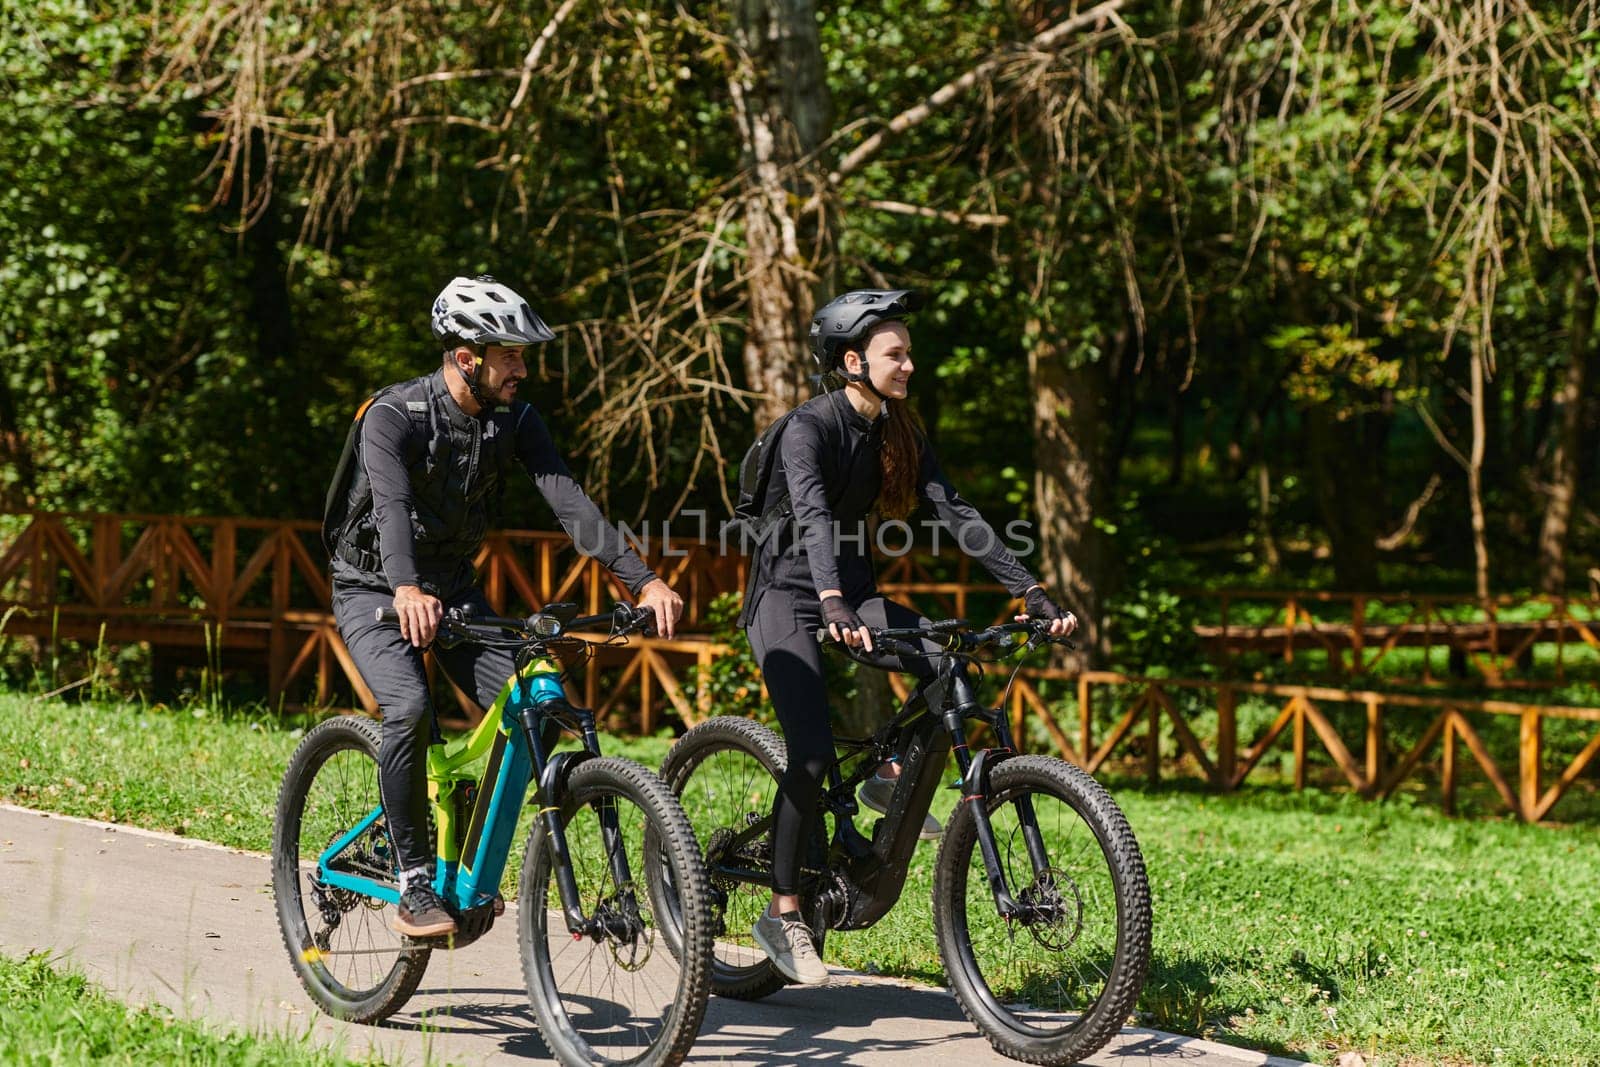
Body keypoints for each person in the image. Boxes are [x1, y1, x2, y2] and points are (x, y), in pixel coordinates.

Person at [324, 274, 683, 938]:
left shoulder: (515, 419)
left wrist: (643, 580)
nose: (523, 367)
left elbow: (569, 500)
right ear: (467, 357)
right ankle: (412, 879)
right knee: (406, 706)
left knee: (540, 707)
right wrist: (405, 588)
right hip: (375, 587)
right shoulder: (393, 416)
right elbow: (391, 508)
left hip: (456, 590)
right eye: (511, 354)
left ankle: (467, 853)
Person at [740, 288, 1076, 985]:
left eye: (908, 352)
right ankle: (782, 912)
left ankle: (887, 778)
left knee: (950, 664)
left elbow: (956, 510)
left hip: (850, 593)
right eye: (897, 354)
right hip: (786, 596)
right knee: (809, 755)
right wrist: (829, 597)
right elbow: (808, 513)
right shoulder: (809, 428)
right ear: (853, 360)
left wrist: (1030, 590)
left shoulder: (898, 432)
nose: (910, 365)